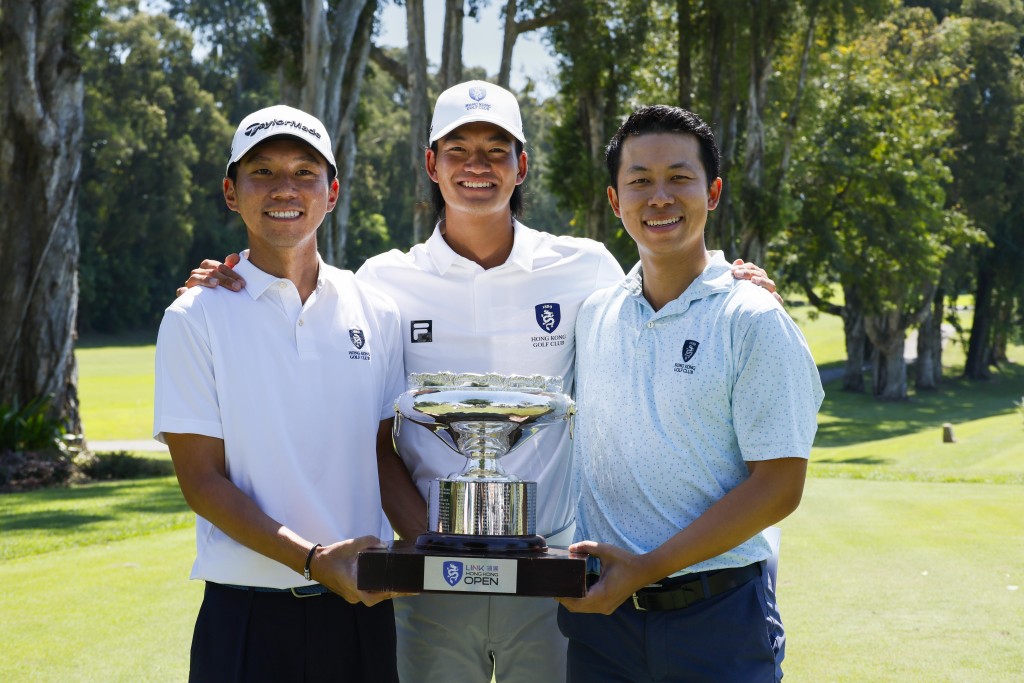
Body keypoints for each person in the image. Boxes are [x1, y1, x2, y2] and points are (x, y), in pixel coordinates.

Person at [179, 84, 781, 683]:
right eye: (458, 148)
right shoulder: (383, 282)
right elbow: (376, 440)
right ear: (431, 164)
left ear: (521, 165)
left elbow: (667, 282)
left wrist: (733, 278)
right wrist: (430, 549)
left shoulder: (586, 266)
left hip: (555, 576)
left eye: (497, 149)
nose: (477, 165)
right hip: (429, 588)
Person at [556, 105, 825, 682]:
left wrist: (647, 568)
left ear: (714, 191)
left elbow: (780, 485)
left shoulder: (752, 317)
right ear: (614, 199)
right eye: (640, 181)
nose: (659, 197)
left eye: (680, 178)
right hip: (603, 627)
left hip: (718, 620)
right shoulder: (594, 314)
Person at [153, 104, 414, 683]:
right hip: (246, 617)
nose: (284, 188)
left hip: (360, 614)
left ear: (333, 190)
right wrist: (314, 561)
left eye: (304, 171)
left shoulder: (377, 310)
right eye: (262, 172)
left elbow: (381, 453)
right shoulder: (194, 316)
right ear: (231, 191)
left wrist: (441, 554)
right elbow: (201, 482)